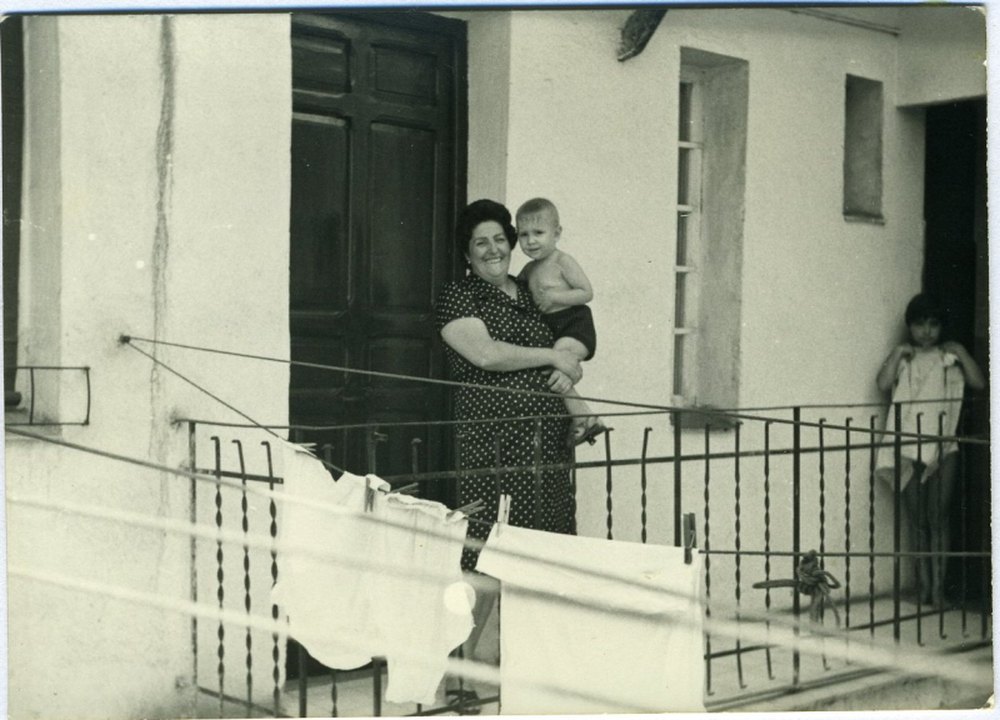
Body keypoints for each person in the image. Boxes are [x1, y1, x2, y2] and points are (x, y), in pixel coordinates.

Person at [434, 199, 580, 703]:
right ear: (467, 253)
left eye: (500, 238)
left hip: (544, 446)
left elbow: (576, 331)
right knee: (483, 556)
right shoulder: (459, 297)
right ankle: (460, 678)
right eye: (481, 242)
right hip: (491, 442)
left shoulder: (532, 291)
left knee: (544, 552)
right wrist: (552, 355)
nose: (494, 249)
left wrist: (570, 363)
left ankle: (521, 669)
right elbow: (486, 354)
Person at [875, 293, 985, 607]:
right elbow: (883, 384)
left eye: (933, 324)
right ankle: (924, 586)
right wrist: (897, 354)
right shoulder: (906, 358)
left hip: (942, 446)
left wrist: (962, 353)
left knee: (938, 516)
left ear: (941, 328)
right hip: (909, 447)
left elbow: (978, 383)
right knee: (917, 519)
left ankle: (938, 588)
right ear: (910, 326)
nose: (926, 331)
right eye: (920, 324)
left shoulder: (948, 358)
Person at [515, 197, 608, 446]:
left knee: (558, 360)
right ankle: (585, 416)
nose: (531, 240)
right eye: (523, 235)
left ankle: (583, 418)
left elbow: (586, 292)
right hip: (552, 327)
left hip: (573, 323)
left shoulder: (562, 261)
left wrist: (555, 296)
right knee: (555, 372)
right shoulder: (529, 269)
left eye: (539, 232)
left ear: (557, 233)